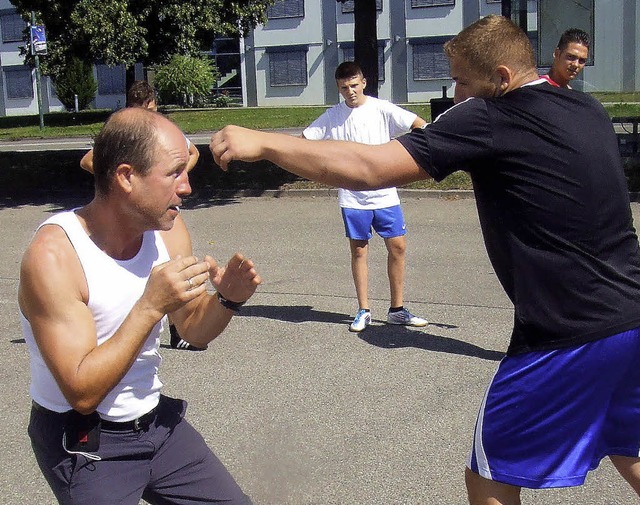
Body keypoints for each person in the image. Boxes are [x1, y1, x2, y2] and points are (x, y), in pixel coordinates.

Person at [210, 14, 640, 505]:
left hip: (566, 335)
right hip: (632, 317)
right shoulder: (585, 107)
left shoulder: (489, 115)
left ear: (501, 78)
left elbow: (370, 168)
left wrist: (265, 142)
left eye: (461, 80)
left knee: (489, 477)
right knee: (630, 448)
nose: (454, 94)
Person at [19, 107, 261, 505]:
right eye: (174, 173)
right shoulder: (55, 256)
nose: (186, 187)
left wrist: (228, 299)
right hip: (84, 438)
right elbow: (81, 392)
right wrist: (150, 306)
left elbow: (193, 329)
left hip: (156, 425)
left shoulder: (167, 229)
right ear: (127, 177)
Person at [302, 61, 428, 332]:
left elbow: (419, 125)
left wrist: (409, 157)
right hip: (352, 198)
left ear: (364, 82)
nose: (350, 91)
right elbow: (304, 142)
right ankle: (363, 310)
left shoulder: (382, 108)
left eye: (354, 85)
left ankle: (397, 309)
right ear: (339, 88)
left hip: (385, 195)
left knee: (398, 247)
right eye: (344, 87)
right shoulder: (333, 116)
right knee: (359, 251)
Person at [80, 80, 201, 351]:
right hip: (135, 212)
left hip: (157, 209)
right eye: (148, 106)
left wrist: (176, 171)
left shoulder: (163, 133)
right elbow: (88, 160)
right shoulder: (128, 133)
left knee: (174, 264)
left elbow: (193, 152)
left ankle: (177, 328)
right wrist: (115, 180)